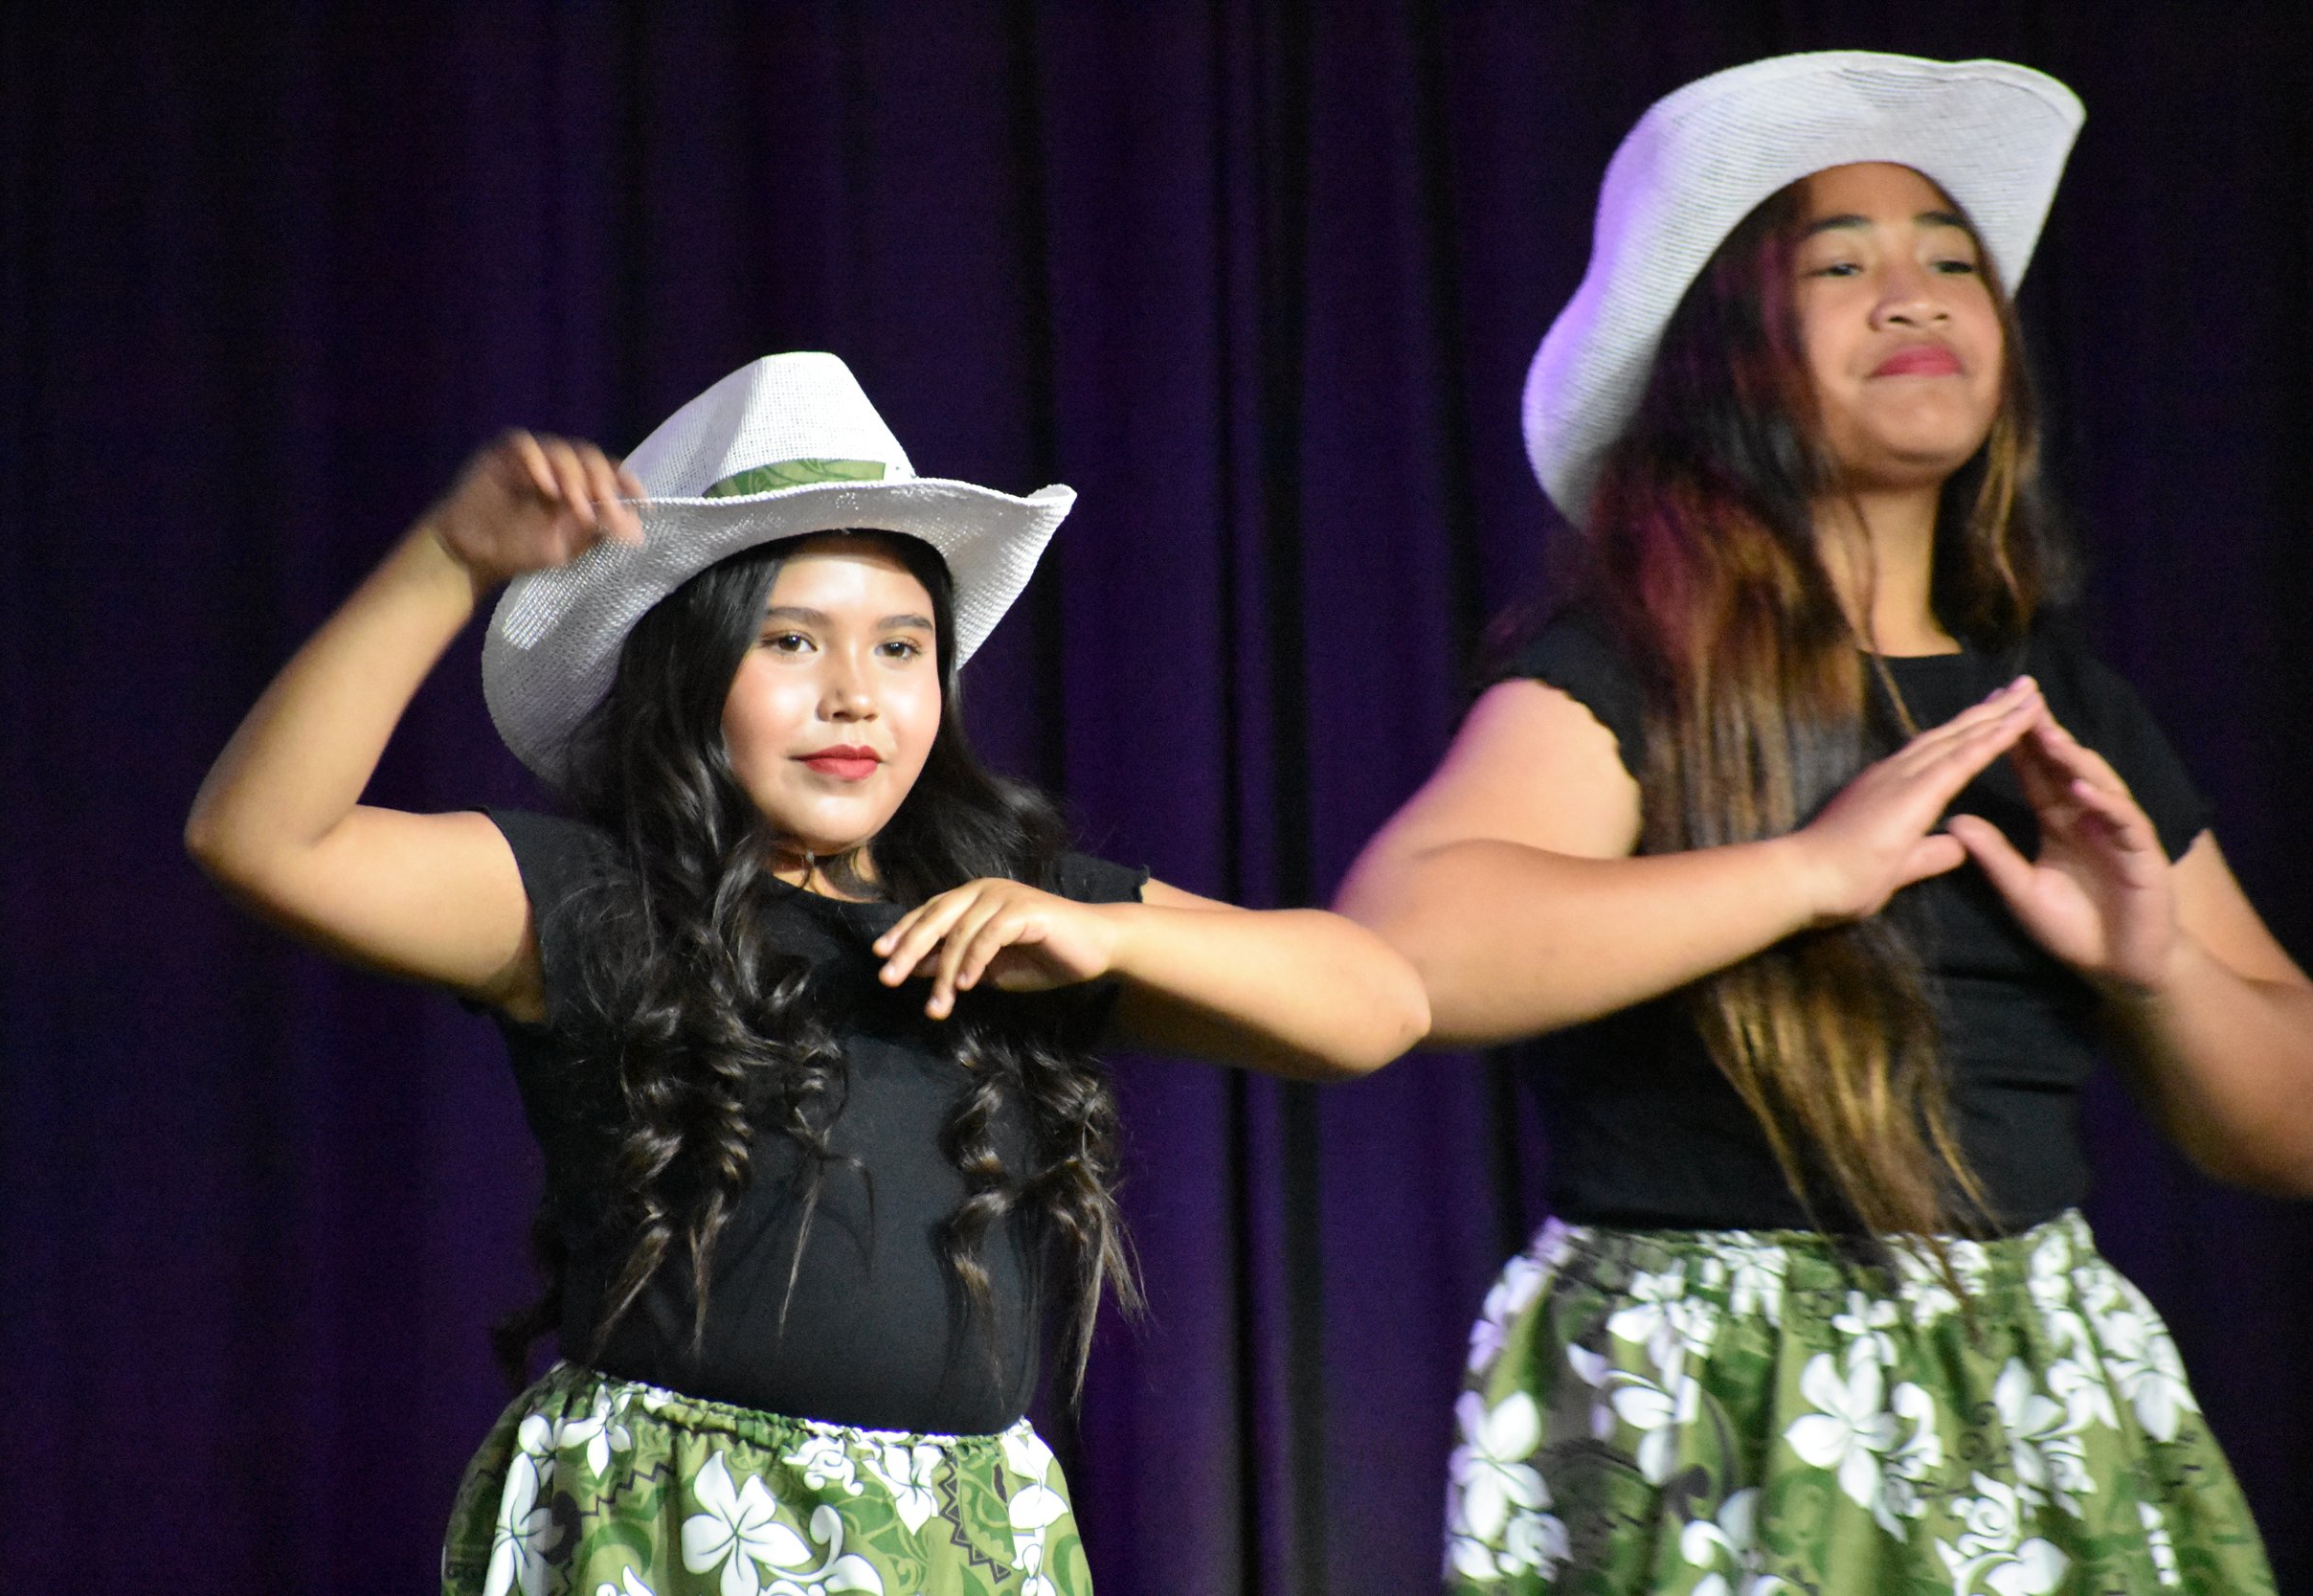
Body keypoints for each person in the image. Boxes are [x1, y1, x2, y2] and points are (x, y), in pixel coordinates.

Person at [188, 350, 1428, 1596]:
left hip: (961, 1545)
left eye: (901, 649)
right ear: (691, 668)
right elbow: (263, 841)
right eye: (792, 641)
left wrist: (1118, 935)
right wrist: (447, 563)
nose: (854, 697)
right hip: (678, 1537)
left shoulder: (1004, 912)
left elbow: (1380, 1006)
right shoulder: (600, 899)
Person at [1336, 52, 2311, 1594]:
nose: (1916, 296)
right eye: (1843, 265)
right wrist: (1807, 869)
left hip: (2037, 1396)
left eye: (1950, 263)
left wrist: (2152, 968)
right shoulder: (1630, 672)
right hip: (1729, 1399)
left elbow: (2286, 1127)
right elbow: (1405, 951)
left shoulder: (2065, 712)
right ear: (1726, 357)